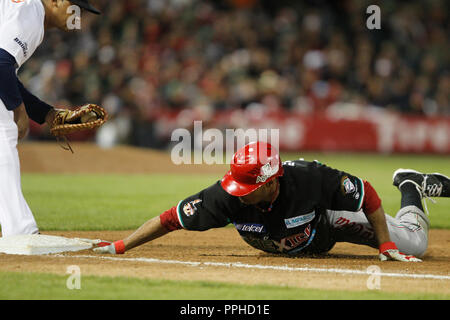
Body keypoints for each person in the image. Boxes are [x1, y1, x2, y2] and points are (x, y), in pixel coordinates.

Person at [94, 141, 449, 262]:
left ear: (271, 180)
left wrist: (385, 242)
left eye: (248, 184)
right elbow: (171, 218)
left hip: (328, 219)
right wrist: (121, 246)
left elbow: (365, 193)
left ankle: (410, 185)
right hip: (306, 239)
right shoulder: (226, 195)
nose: (239, 190)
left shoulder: (310, 178)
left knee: (413, 246)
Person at [0, 0, 100, 237]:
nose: (79, 15)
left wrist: (46, 114)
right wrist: (18, 110)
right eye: (75, 7)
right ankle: (20, 231)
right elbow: (0, 64)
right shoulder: (32, 12)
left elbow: (6, 76)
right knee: (4, 134)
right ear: (55, 1)